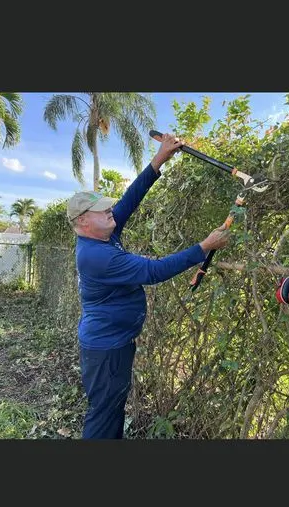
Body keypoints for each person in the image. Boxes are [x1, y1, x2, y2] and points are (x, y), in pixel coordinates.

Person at [66, 133, 231, 439]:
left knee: (111, 409)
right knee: (103, 414)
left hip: (112, 343)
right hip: (107, 349)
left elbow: (130, 199)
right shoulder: (96, 255)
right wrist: (204, 247)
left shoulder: (102, 233)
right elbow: (154, 272)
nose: (110, 211)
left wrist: (159, 160)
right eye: (102, 210)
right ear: (83, 222)